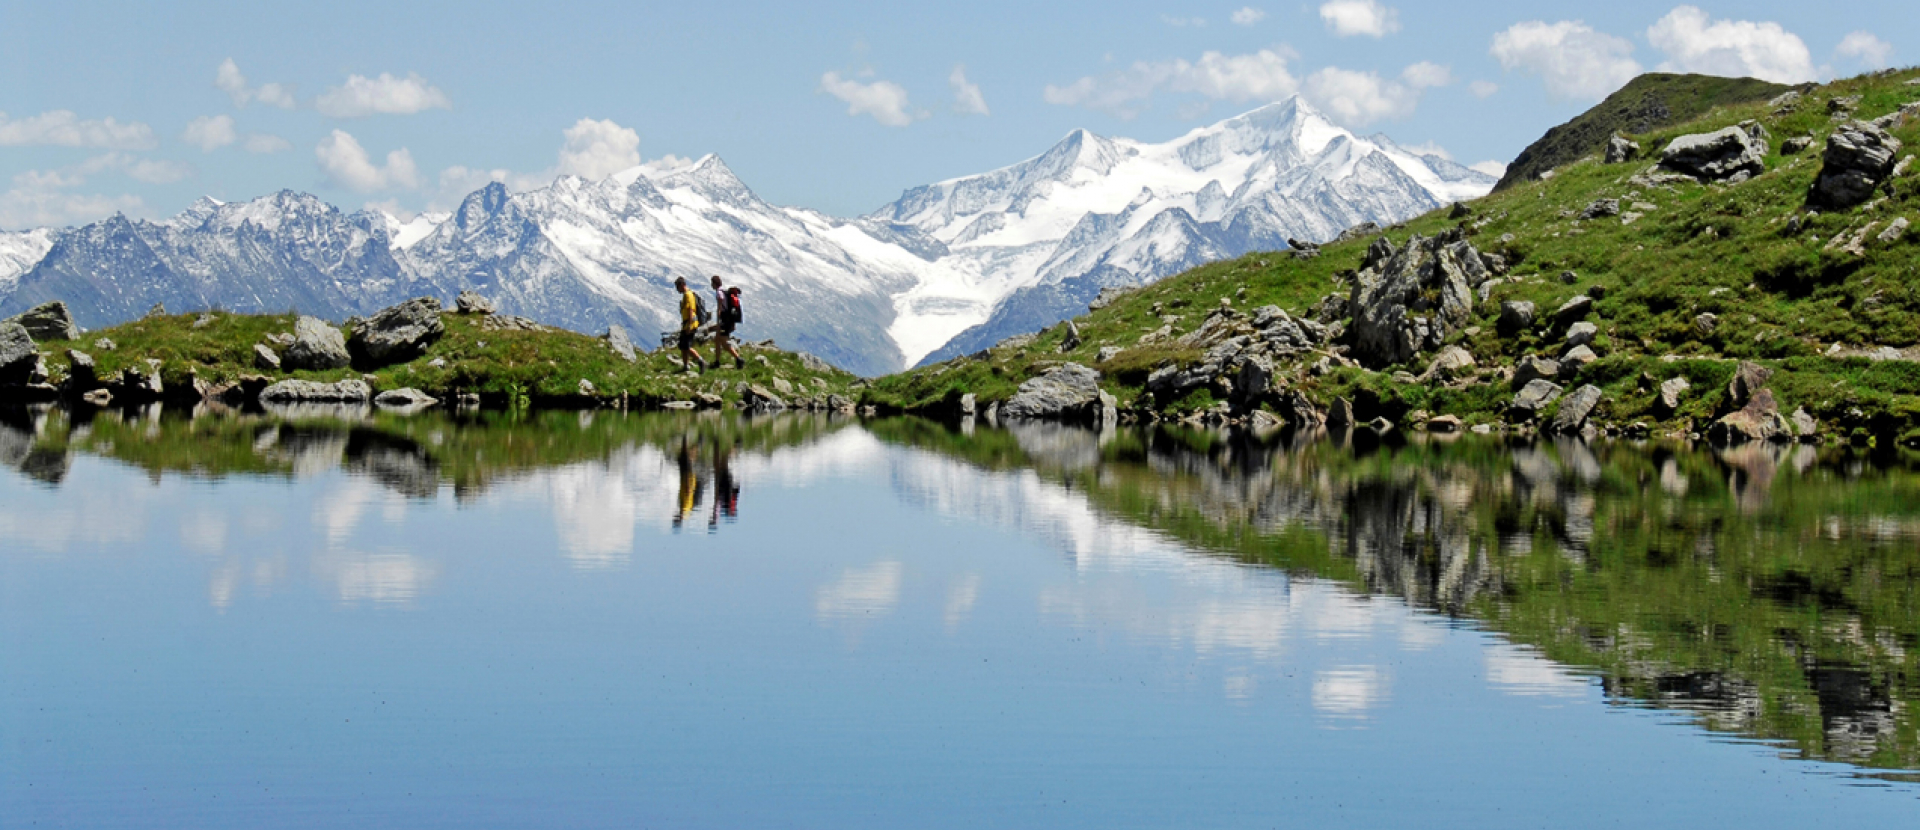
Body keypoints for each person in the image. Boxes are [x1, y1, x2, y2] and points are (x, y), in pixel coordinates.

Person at [710, 275, 744, 370]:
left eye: (712, 283)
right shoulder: (724, 291)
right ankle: (717, 361)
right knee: (717, 339)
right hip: (728, 320)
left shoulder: (719, 293)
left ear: (714, 283)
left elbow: (720, 308)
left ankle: (738, 358)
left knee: (724, 342)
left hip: (724, 320)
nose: (711, 285)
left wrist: (718, 322)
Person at [674, 277, 707, 374]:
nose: (677, 289)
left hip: (690, 324)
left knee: (687, 346)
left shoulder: (688, 295)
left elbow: (691, 310)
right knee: (683, 345)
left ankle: (701, 361)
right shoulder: (687, 294)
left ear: (682, 285)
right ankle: (685, 366)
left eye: (677, 287)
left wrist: (689, 325)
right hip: (686, 324)